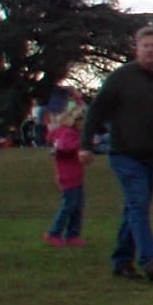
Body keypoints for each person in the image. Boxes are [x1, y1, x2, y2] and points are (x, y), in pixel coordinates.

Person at [84, 25, 153, 282]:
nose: (150, 50)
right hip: (124, 154)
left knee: (135, 207)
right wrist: (85, 145)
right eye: (146, 45)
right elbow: (95, 112)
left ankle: (121, 262)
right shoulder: (121, 78)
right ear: (137, 48)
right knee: (138, 204)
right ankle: (148, 260)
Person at [43, 98, 94, 246]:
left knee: (77, 206)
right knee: (69, 205)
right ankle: (54, 232)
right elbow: (64, 148)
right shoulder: (68, 134)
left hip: (75, 176)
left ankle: (73, 234)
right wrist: (82, 145)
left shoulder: (70, 133)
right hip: (68, 176)